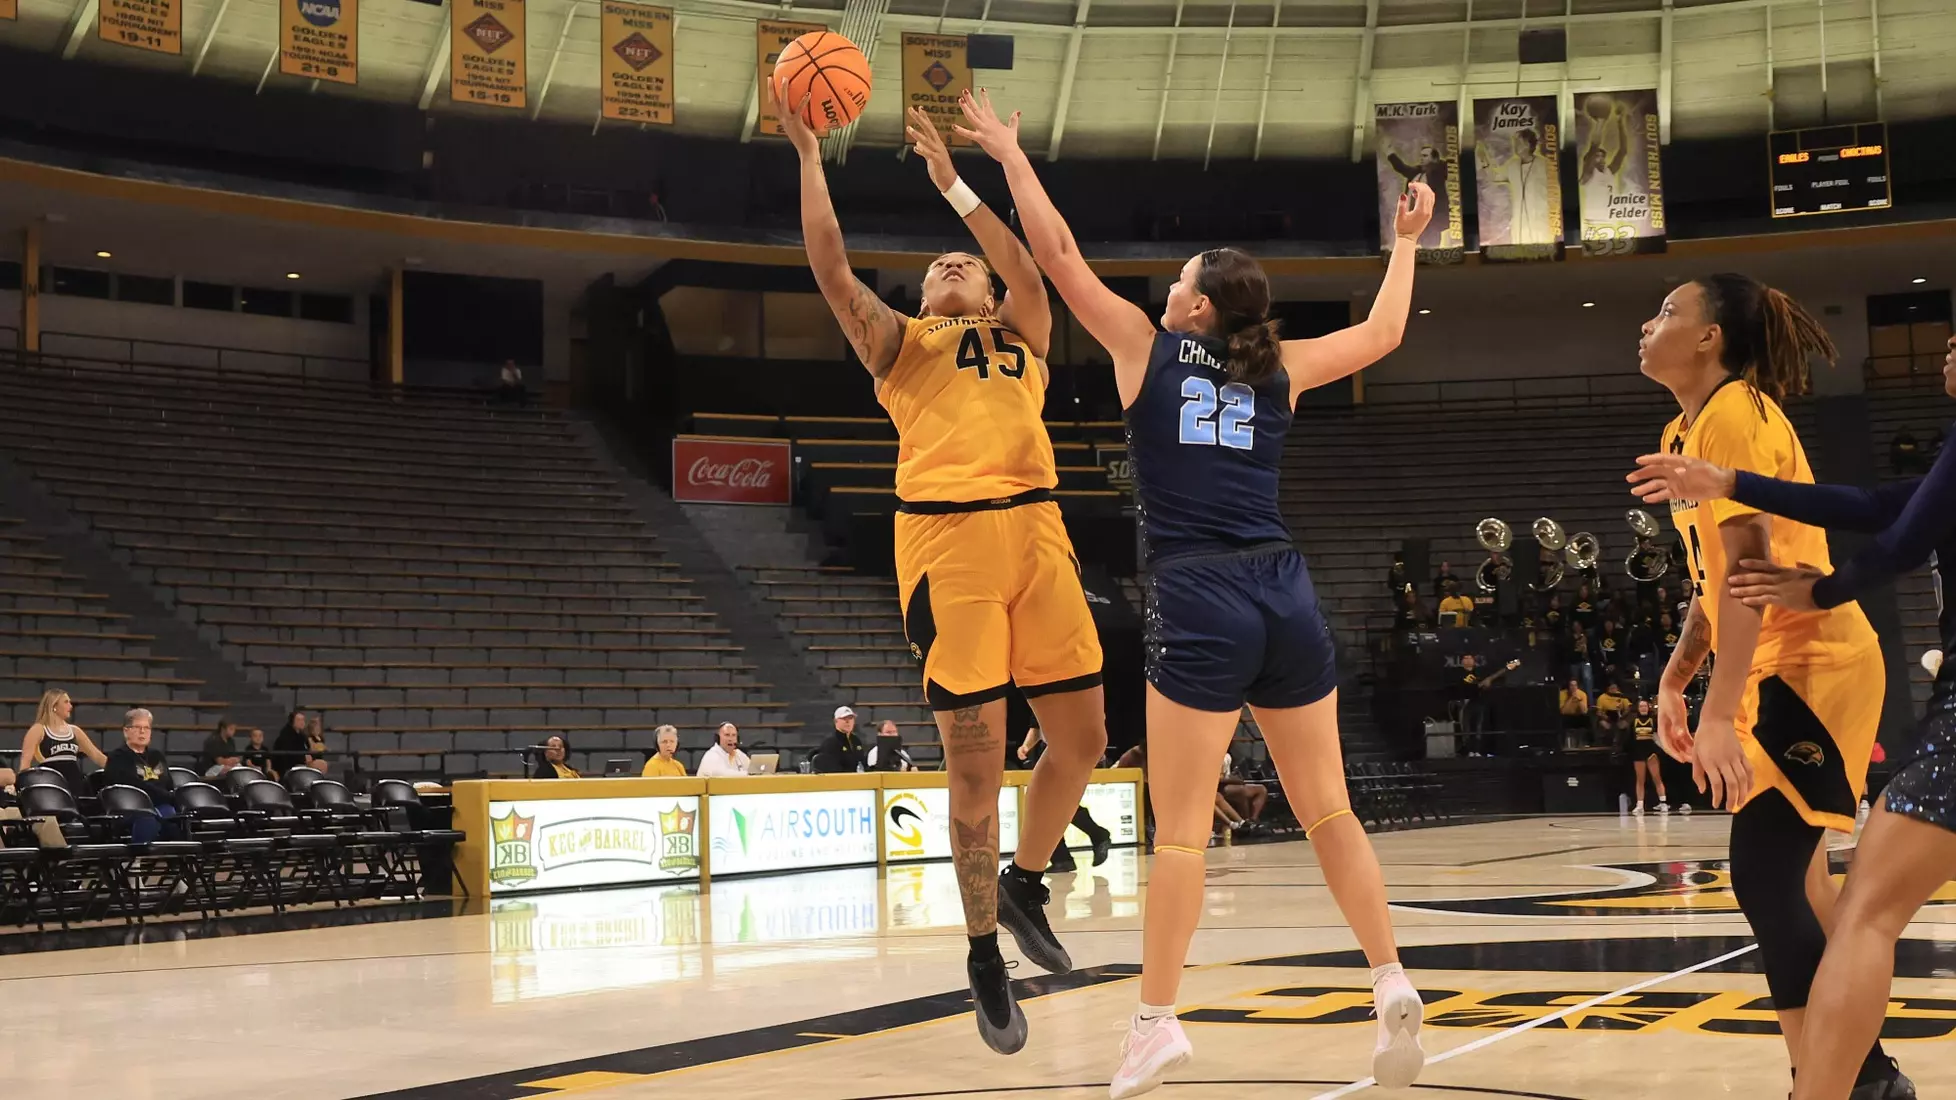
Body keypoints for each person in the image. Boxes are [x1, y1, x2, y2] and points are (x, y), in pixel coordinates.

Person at [952, 84, 1435, 1096]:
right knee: (1329, 810)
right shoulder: (1282, 365)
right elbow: (1388, 334)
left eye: (1178, 281)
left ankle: (1156, 1021)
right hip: (1284, 587)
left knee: (1178, 832)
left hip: (1198, 590)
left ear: (1198, 307)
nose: (1166, 288)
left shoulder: (1147, 346)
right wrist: (1404, 243)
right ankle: (1390, 973)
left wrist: (1007, 153)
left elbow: (1057, 254)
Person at [780, 88, 1112, 1056]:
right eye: (935, 268)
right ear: (923, 300)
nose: (952, 264)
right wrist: (809, 158)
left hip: (1039, 533)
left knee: (1083, 738)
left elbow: (1029, 262)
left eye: (963, 261)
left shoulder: (1026, 332)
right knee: (976, 767)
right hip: (949, 545)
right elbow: (831, 266)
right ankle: (980, 952)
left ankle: (1025, 883)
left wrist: (956, 187)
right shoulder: (899, 344)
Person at [1627, 331, 1955, 1100]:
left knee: (1786, 880)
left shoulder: (1737, 411)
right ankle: (1858, 1076)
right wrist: (1677, 679)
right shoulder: (1686, 432)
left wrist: (1823, 591)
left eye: (1668, 310)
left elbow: (1887, 544)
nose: (1948, 348)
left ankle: (1839, 1083)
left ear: (1709, 335)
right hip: (1780, 669)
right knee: (1803, 885)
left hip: (1811, 665)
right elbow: (1867, 508)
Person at [103, 708, 177, 845]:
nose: (142, 732)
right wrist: (167, 796)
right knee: (148, 818)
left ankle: (177, 856)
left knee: (174, 816)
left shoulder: (157, 756)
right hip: (131, 808)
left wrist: (169, 797)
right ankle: (138, 855)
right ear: (126, 731)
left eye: (146, 728)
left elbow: (168, 784)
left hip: (161, 804)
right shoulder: (118, 757)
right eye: (137, 727)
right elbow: (133, 787)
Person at [1478, 127, 1553, 245]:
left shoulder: (1544, 165)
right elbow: (1494, 176)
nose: (1515, 145)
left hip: (1539, 221)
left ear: (1527, 144)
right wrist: (1484, 159)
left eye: (1519, 142)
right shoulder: (1512, 165)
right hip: (1520, 222)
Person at [20, 689, 107, 786]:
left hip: (75, 783)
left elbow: (97, 756)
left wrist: (116, 769)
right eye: (66, 702)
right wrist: (22, 784)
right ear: (54, 706)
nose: (71, 706)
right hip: (51, 783)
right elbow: (25, 763)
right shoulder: (38, 729)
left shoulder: (75, 731)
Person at [1626, 698, 1671, 814]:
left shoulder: (1653, 720)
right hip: (1638, 753)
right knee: (1640, 780)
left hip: (1651, 752)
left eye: (1645, 706)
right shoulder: (1633, 721)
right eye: (1641, 706)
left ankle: (1663, 803)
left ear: (1648, 707)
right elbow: (1630, 738)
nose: (1643, 708)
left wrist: (1661, 749)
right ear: (1638, 708)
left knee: (1657, 778)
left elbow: (1658, 737)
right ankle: (1640, 805)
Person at [810, 706, 868, 775]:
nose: (848, 721)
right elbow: (831, 769)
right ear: (836, 721)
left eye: (850, 718)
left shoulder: (856, 740)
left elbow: (862, 763)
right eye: (844, 718)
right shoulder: (830, 743)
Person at [1218, 752, 1269, 829]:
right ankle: (1245, 821)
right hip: (1220, 787)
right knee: (1242, 792)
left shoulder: (1227, 756)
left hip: (1229, 784)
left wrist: (1236, 779)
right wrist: (1233, 780)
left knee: (1261, 789)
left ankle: (1253, 820)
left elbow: (1228, 775)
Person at [272, 711, 323, 776]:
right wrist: (304, 758)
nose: (302, 722)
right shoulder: (286, 735)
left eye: (303, 720)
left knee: (321, 763)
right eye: (299, 720)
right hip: (288, 766)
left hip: (302, 763)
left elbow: (307, 749)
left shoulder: (302, 735)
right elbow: (288, 755)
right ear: (292, 721)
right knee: (320, 765)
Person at [1559, 678, 1592, 743]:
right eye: (1571, 685)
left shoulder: (1582, 694)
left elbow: (1584, 711)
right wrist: (1570, 698)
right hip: (1566, 717)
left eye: (1575, 685)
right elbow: (1563, 711)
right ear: (1568, 687)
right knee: (1560, 721)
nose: (1573, 687)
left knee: (1588, 719)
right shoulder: (1562, 694)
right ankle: (1561, 744)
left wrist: (1579, 700)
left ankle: (1590, 743)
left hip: (1578, 716)